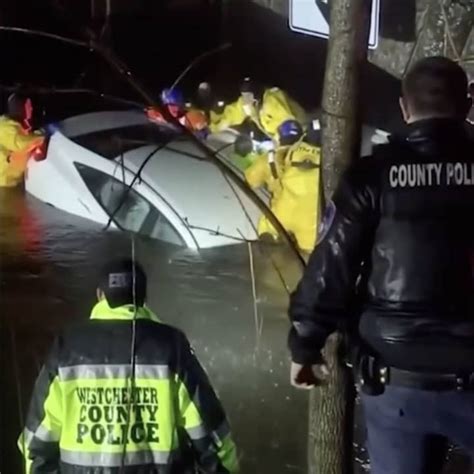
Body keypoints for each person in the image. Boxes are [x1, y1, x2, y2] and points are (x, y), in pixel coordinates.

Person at [288, 56, 474, 474]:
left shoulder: (373, 176)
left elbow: (332, 262)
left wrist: (305, 341)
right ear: (468, 105)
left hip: (396, 379)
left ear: (405, 109)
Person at [19, 258, 239, 473]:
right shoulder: (171, 345)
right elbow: (213, 438)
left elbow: (36, 445)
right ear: (143, 298)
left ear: (99, 295)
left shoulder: (66, 347)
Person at [247, 120, 321, 252]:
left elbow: (250, 179)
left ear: (280, 137)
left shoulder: (273, 156)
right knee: (309, 249)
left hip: (283, 207)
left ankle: (269, 249)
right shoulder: (328, 158)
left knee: (267, 224)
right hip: (311, 216)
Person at [209, 78, 306, 140]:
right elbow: (232, 113)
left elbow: (289, 125)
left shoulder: (271, 101)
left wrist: (281, 143)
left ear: (256, 94)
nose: (246, 99)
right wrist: (214, 127)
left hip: (299, 132)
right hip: (276, 137)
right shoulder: (248, 103)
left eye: (248, 96)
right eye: (244, 95)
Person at [0, 93, 45, 188]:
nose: (31, 109)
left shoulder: (18, 127)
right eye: (28, 106)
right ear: (20, 108)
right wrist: (41, 135)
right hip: (4, 183)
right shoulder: (5, 127)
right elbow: (21, 144)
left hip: (14, 181)